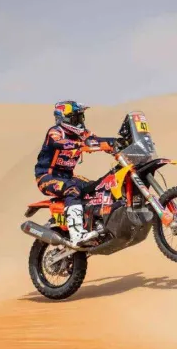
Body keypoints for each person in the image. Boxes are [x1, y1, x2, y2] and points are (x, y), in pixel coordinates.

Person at [34, 100, 116, 245]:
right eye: (75, 118)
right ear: (64, 118)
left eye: (80, 117)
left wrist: (117, 142)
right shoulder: (55, 131)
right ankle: (77, 234)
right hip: (47, 177)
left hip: (68, 177)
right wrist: (81, 144)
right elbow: (59, 143)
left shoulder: (83, 134)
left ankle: (94, 225)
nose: (79, 121)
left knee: (98, 187)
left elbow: (97, 140)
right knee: (72, 189)